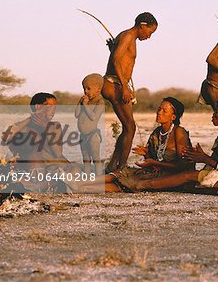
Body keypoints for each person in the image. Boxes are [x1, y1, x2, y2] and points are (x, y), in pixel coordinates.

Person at [124, 98, 218, 196]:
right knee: (188, 184)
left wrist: (205, 159)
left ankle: (141, 186)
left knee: (187, 176)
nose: (213, 115)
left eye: (217, 112)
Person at [77, 97, 193, 193]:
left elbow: (181, 167)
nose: (159, 112)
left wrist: (153, 162)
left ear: (173, 117)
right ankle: (80, 184)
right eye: (159, 109)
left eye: (164, 111)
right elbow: (153, 160)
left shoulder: (179, 132)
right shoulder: (157, 132)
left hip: (171, 176)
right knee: (121, 173)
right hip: (155, 172)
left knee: (127, 183)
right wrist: (147, 155)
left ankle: (81, 186)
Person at [102, 12, 158, 173]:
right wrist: (125, 87)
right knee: (130, 127)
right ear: (142, 25)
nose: (149, 36)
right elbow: (115, 60)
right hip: (114, 84)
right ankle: (121, 168)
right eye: (150, 32)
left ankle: (113, 166)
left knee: (128, 127)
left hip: (116, 83)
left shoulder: (127, 37)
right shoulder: (127, 36)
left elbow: (117, 56)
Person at [2, 93, 76, 180]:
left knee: (75, 171)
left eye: (55, 108)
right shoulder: (24, 127)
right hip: (36, 169)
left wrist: (45, 126)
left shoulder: (54, 126)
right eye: (49, 107)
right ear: (38, 107)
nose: (53, 111)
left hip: (59, 168)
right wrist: (31, 118)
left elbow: (58, 153)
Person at [75, 73, 105, 176]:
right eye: (84, 89)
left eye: (88, 88)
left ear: (98, 89)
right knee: (86, 158)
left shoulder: (99, 102)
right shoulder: (84, 102)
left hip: (93, 135)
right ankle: (87, 177)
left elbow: (93, 117)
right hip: (83, 135)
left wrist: (86, 105)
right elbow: (76, 114)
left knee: (96, 158)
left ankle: (99, 177)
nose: (85, 91)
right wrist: (80, 103)